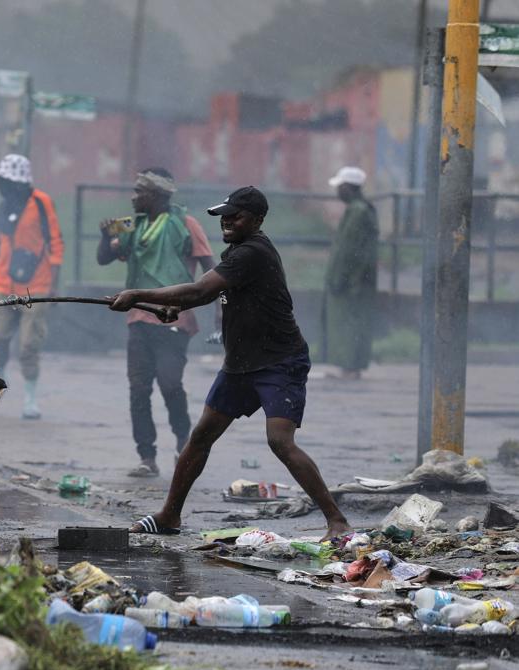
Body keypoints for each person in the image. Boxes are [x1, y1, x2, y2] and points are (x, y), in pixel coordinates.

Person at [107, 186, 352, 542]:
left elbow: (200, 291)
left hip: (279, 361)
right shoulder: (237, 252)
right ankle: (169, 516)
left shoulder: (252, 252)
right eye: (224, 215)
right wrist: (175, 307)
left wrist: (137, 295)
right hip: (241, 363)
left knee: (280, 442)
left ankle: (337, 521)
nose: (227, 221)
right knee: (201, 436)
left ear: (258, 220)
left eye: (235, 216)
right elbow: (212, 296)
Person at [96, 168, 215, 478]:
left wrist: (214, 306)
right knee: (138, 389)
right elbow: (104, 258)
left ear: (159, 195)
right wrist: (105, 236)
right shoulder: (130, 226)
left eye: (140, 192)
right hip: (138, 319)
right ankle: (146, 457)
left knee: (170, 383)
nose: (133, 197)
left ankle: (182, 441)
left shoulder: (186, 225)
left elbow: (210, 267)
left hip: (174, 319)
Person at [0, 154, 64, 419]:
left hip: (37, 284)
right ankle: (0, 379)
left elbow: (55, 242)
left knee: (29, 344)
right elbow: (1, 247)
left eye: (8, 180)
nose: (4, 185)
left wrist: (54, 285)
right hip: (4, 282)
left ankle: (30, 398)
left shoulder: (41, 203)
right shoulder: (4, 206)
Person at [323, 166, 378, 380]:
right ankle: (349, 366)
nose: (338, 192)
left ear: (348, 187)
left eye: (340, 187)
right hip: (355, 279)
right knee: (351, 321)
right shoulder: (361, 209)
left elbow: (349, 249)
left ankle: (350, 366)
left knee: (348, 322)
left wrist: (340, 278)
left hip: (351, 281)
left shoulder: (358, 211)